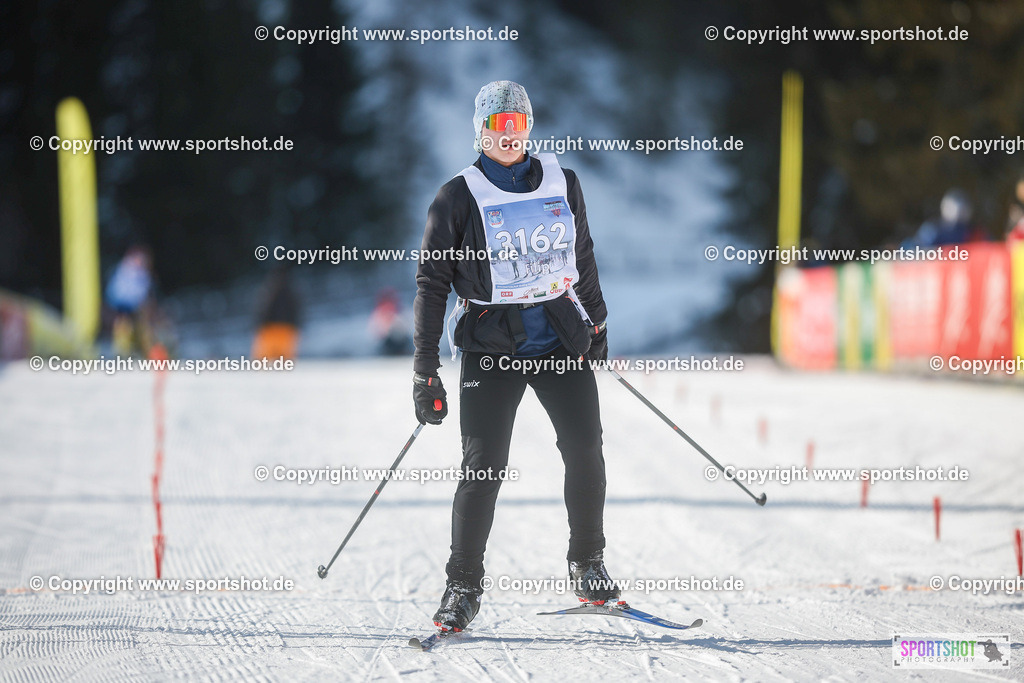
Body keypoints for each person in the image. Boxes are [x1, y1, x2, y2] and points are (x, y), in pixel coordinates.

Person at [412, 80, 613, 633]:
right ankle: (462, 586)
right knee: (483, 469)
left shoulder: (561, 181)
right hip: (489, 347)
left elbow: (583, 254)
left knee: (585, 450)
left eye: (518, 125)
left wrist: (596, 321)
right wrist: (424, 371)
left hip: (555, 339)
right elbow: (432, 285)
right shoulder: (457, 196)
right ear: (480, 131)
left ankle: (587, 562)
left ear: (529, 127)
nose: (509, 136)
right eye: (498, 126)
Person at [251, 266, 302, 360]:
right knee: (285, 363)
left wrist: (259, 326)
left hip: (271, 330)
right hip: (287, 330)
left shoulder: (269, 291)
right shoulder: (292, 292)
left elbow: (263, 310)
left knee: (263, 362)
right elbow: (296, 311)